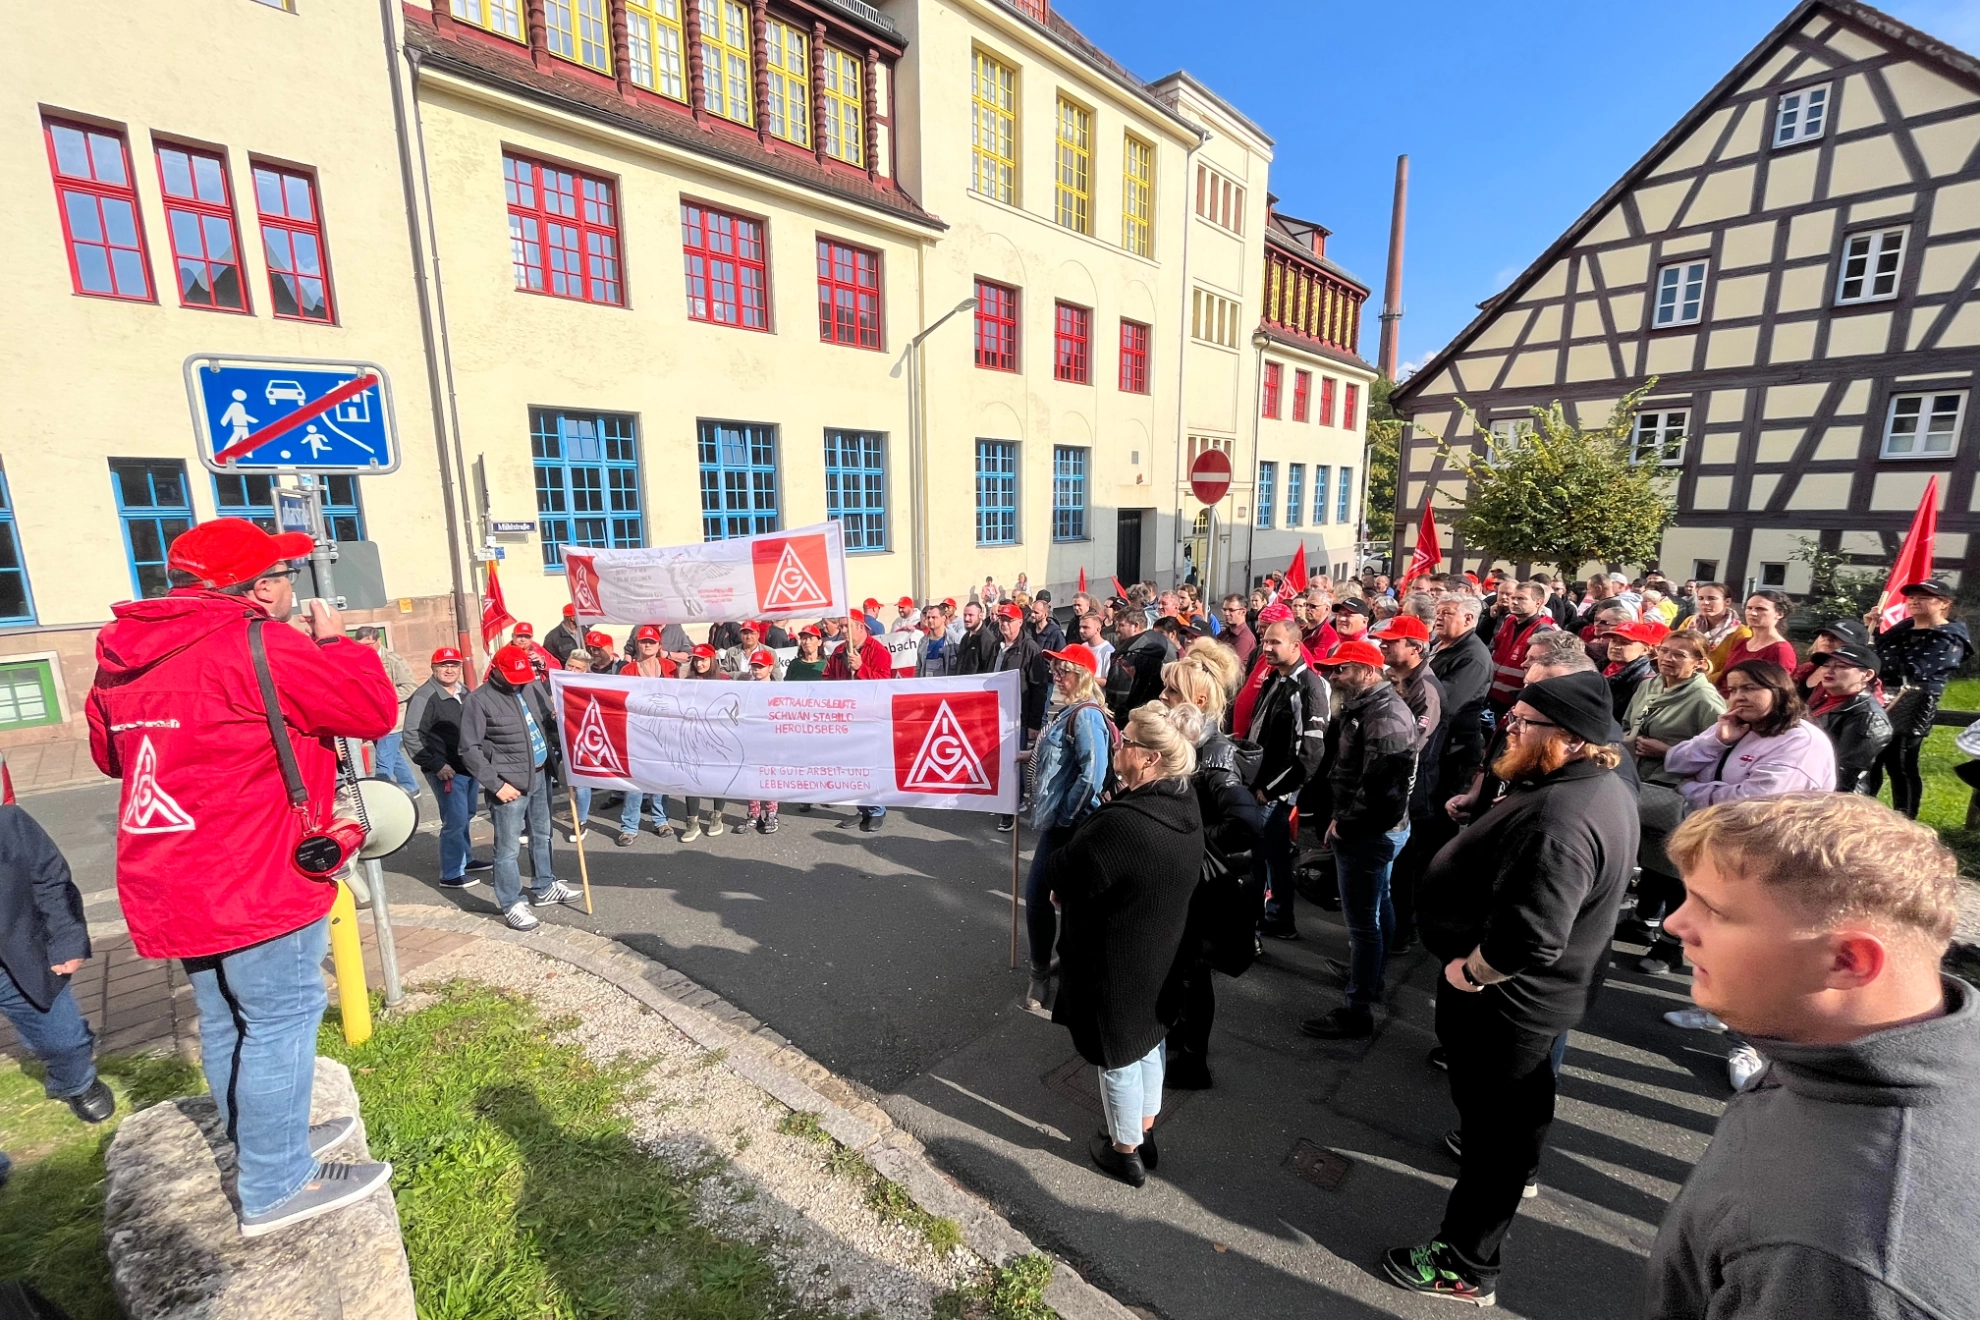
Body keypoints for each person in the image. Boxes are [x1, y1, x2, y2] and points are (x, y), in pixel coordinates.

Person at [85, 517, 397, 1235]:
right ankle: (276, 1184)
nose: (294, 588)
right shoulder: (262, 642)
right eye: (286, 577)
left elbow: (113, 758)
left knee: (227, 1018)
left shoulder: (121, 654)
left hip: (171, 873)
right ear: (259, 590)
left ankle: (259, 1142)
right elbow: (374, 712)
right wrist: (337, 643)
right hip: (256, 873)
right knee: (281, 1019)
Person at [1645, 794, 1979, 1320]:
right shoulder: (1821, 1047)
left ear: (1847, 961)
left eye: (1715, 910)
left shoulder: (1836, 1261)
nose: (1674, 926)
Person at [1387, 672, 1636, 1306]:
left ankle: (1466, 1263)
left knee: (1496, 1138)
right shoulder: (1583, 785)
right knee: (1512, 1122)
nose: (1511, 730)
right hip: (1530, 1003)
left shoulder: (1562, 819)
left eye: (1526, 723)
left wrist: (1469, 971)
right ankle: (1512, 1168)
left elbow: (1531, 937)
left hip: (1505, 1004)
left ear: (1574, 740)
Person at [1047, 701, 1205, 1189]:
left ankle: (1124, 1152)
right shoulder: (1183, 804)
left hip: (1115, 957)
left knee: (1116, 1053)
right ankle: (1145, 1129)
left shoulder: (1124, 824)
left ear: (1152, 759)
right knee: (1149, 1040)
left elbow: (1064, 869)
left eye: (1129, 740)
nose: (1119, 742)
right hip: (1160, 949)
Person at [1646, 660, 1837, 1003]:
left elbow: (1755, 803)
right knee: (1719, 930)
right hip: (1719, 844)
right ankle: (1718, 1007)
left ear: (1778, 690)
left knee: (1755, 938)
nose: (1738, 697)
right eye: (1732, 689)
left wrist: (1693, 790)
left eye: (1749, 688)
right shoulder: (1735, 725)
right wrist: (1718, 742)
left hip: (1769, 854)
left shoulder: (1800, 741)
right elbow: (1675, 761)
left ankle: (1750, 1034)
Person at [1300, 639, 1421, 1038]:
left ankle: (1358, 1008)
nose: (1334, 676)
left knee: (1363, 923)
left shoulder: (1384, 716)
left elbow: (1384, 792)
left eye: (1342, 669)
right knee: (1377, 908)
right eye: (1333, 669)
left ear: (1368, 673)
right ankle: (1370, 979)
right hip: (1369, 830)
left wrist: (1346, 825)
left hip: (1369, 834)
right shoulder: (1365, 707)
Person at [0, 803, 117, 1189]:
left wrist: (67, 939)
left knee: (66, 1041)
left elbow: (50, 878)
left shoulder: (8, 823)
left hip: (15, 960)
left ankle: (76, 1083)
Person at [1159, 641, 1256, 1088]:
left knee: (1194, 973)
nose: (1162, 698)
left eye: (1171, 692)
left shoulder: (1214, 754)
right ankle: (1181, 1042)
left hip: (1205, 884)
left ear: (1198, 701)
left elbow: (1243, 822)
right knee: (1183, 969)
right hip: (1193, 878)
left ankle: (1193, 1061)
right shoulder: (1195, 740)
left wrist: (1191, 839)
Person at [1619, 632, 1727, 962]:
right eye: (1664, 651)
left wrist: (1670, 752)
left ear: (1699, 663)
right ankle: (1645, 920)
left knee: (1675, 868)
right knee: (1649, 858)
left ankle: (1672, 945)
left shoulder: (1706, 701)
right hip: (1640, 780)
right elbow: (1628, 722)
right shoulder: (1649, 685)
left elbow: (1719, 753)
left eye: (1680, 655)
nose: (1668, 658)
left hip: (1675, 792)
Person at [1021, 644, 1114, 1010]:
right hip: (1063, 822)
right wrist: (1033, 755)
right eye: (1056, 670)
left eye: (1064, 670)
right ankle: (1045, 969)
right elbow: (1068, 759)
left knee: (1049, 897)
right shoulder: (1069, 710)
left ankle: (1045, 973)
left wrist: (1065, 817)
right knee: (1047, 896)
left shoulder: (1087, 714)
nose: (1056, 676)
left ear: (1084, 677)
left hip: (1074, 825)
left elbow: (1092, 776)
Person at [461, 643, 579, 930]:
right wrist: (496, 784)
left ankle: (544, 886)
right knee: (508, 848)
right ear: (498, 672)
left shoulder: (530, 686)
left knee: (543, 834)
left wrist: (561, 725)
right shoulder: (479, 700)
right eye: (513, 679)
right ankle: (511, 902)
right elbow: (469, 749)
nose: (519, 684)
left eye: (523, 678)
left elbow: (545, 724)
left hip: (540, 774)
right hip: (509, 785)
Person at [1248, 620, 1331, 941]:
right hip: (1263, 787)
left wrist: (1271, 791)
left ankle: (1255, 929)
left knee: (1259, 861)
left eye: (1275, 643)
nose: (1267, 648)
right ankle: (1278, 918)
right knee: (1274, 858)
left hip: (1274, 794)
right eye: (1265, 641)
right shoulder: (1275, 678)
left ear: (1297, 646)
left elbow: (1309, 754)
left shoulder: (1309, 687)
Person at [1371, 615, 1445, 955]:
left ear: (1415, 648)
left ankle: (1397, 938)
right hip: (1396, 789)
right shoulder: (1400, 678)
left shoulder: (1425, 688)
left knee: (1400, 873)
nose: (1383, 645)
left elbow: (1409, 744)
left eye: (1391, 641)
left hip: (1411, 795)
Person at [1870, 577, 1972, 818]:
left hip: (1912, 704)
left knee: (1900, 762)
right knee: (1872, 757)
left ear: (1943, 603)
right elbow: (1872, 655)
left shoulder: (1950, 637)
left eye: (1924, 597)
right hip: (1880, 698)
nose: (1914, 601)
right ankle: (1864, 812)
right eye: (1912, 597)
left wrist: (1881, 663)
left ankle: (1905, 817)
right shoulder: (1904, 626)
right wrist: (1872, 629)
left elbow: (1915, 670)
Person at [404, 646, 491, 887]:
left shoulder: (464, 692)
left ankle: (465, 858)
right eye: (444, 665)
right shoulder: (424, 697)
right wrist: (436, 764)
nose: (449, 669)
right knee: (454, 820)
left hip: (468, 766)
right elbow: (412, 735)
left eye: (453, 665)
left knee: (467, 815)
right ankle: (451, 873)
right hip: (446, 770)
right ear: (433, 669)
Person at [826, 615, 894, 832]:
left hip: (871, 717)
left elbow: (884, 684)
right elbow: (826, 679)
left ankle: (877, 809)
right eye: (841, 626)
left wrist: (861, 668)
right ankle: (863, 807)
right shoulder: (838, 652)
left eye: (847, 626)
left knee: (871, 763)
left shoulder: (879, 651)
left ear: (860, 628)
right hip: (847, 716)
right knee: (853, 765)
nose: (843, 630)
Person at [615, 625, 677, 844]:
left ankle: (661, 821)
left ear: (660, 645)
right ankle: (629, 826)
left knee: (660, 779)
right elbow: (621, 699)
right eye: (644, 641)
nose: (648, 645)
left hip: (664, 731)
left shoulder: (670, 667)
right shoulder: (628, 670)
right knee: (636, 781)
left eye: (652, 642)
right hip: (638, 731)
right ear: (638, 645)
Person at [1806, 640, 1892, 795]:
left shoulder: (1869, 717)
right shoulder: (1824, 701)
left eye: (1841, 666)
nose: (1829, 671)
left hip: (1836, 802)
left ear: (1867, 675)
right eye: (1827, 665)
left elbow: (1844, 773)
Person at [351, 626, 421, 796]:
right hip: (373, 719)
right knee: (393, 755)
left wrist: (384, 698)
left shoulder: (393, 660)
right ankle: (411, 786)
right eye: (360, 644)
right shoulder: (357, 659)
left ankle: (381, 795)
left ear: (378, 641)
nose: (365, 648)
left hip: (393, 720)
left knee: (383, 761)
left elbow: (410, 686)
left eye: (369, 644)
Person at [675, 644, 735, 839]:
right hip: (693, 737)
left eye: (704, 659)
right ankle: (692, 821)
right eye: (697, 659)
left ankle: (717, 816)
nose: (700, 663)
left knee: (718, 776)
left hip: (718, 737)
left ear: (712, 660)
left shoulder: (724, 680)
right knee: (691, 778)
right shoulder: (688, 682)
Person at [1485, 581, 1555, 713]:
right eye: (1513, 598)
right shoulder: (1508, 620)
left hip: (1516, 701)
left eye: (1521, 598)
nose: (1514, 602)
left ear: (1538, 603)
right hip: (1493, 696)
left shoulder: (1544, 630)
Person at [1106, 600, 1174, 729]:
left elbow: (1117, 692)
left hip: (1130, 718)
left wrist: (1115, 714)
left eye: (1121, 625)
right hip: (1157, 714)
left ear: (1135, 626)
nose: (1117, 630)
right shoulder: (1165, 644)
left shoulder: (1129, 653)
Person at [1716, 591, 1797, 692]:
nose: (1752, 613)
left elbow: (1779, 690)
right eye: (1749, 608)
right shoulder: (1741, 643)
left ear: (1779, 614)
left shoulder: (1781, 650)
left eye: (1761, 609)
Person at [740, 647, 782, 834]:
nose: (757, 670)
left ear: (770, 668)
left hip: (771, 739)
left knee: (770, 776)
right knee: (752, 776)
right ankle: (753, 814)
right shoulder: (747, 688)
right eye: (754, 666)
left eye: (761, 666)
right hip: (752, 737)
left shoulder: (778, 689)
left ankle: (771, 813)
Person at [1677, 582, 1747, 682]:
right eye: (1701, 598)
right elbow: (1675, 648)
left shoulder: (1741, 632)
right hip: (1682, 680)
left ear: (1727, 601)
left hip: (1717, 687)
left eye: (1712, 598)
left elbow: (1734, 669)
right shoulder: (1689, 622)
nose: (1705, 603)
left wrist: (1700, 682)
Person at [1601, 619, 1665, 718]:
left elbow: (1639, 719)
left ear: (1645, 650)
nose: (1616, 646)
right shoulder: (1599, 666)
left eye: (1625, 643)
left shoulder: (1647, 681)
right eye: (1613, 641)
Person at [956, 601, 999, 675]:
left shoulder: (987, 639)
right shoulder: (966, 637)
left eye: (970, 615)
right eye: (965, 615)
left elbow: (988, 669)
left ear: (980, 615)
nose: (966, 618)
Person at [1072, 610, 1113, 680]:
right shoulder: (1083, 647)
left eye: (1086, 627)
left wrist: (1087, 678)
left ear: (1098, 629)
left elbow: (1109, 682)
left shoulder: (1108, 651)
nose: (1081, 631)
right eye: (1080, 627)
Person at [1219, 594, 1255, 670]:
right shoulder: (1225, 633)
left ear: (1243, 612)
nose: (1226, 613)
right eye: (1224, 610)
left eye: (1231, 610)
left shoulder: (1244, 639)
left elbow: (1228, 666)